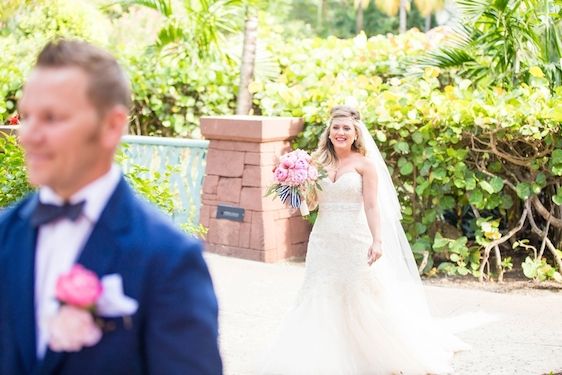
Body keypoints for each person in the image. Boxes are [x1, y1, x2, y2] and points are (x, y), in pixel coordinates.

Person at [0, 39, 222, 375]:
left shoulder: (168, 257)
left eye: (52, 118)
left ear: (112, 126)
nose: (28, 135)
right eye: (27, 116)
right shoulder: (5, 234)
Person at [260, 105, 470, 374]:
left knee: (362, 294)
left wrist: (377, 241)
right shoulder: (315, 163)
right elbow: (311, 205)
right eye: (336, 127)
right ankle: (321, 356)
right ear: (329, 131)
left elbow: (372, 206)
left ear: (356, 132)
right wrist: (293, 188)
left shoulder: (365, 165)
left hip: (355, 238)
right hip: (324, 240)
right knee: (319, 292)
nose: (340, 132)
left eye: (346, 128)